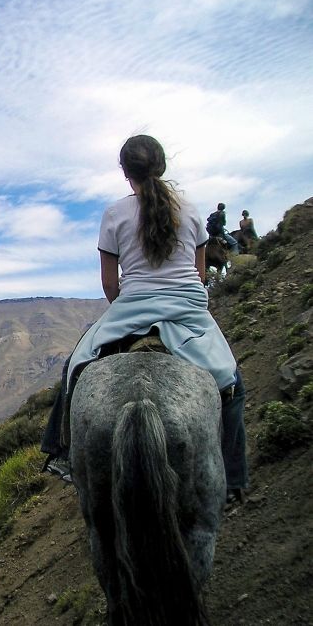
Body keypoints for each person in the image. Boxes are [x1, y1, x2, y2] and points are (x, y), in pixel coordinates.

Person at [41, 135, 248, 501]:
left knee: (73, 368)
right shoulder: (191, 211)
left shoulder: (114, 214)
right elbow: (200, 276)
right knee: (231, 384)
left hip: (131, 307)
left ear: (125, 172)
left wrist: (130, 305)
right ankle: (232, 480)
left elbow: (109, 284)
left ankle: (61, 453)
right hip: (188, 310)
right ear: (162, 165)